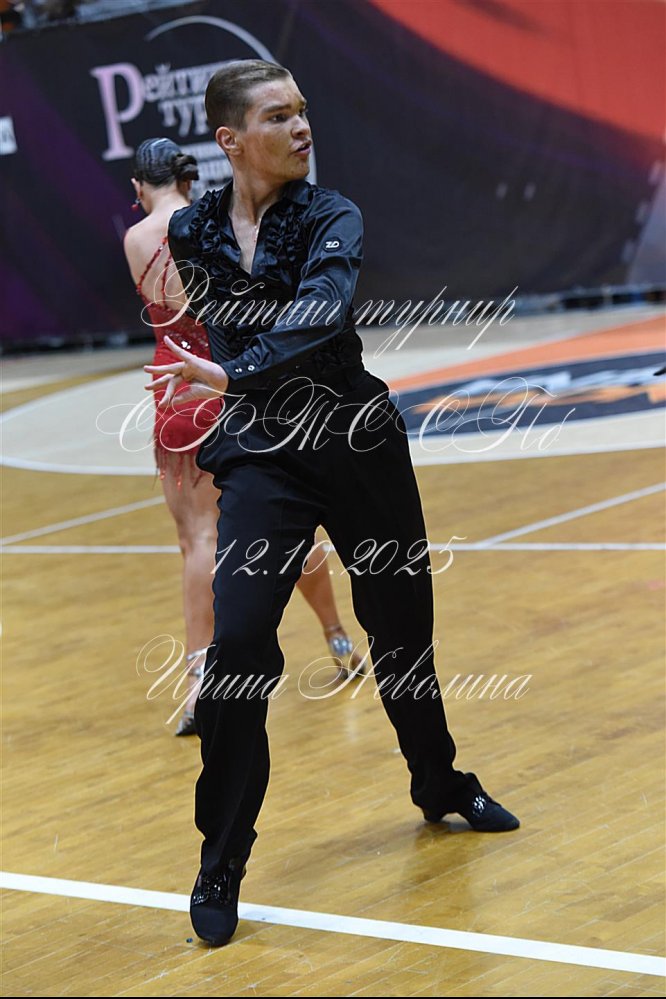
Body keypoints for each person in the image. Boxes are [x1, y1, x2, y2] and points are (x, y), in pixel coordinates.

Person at [144, 59, 520, 948]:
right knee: (238, 644)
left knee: (402, 630)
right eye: (279, 116)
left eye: (304, 111)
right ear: (232, 139)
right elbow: (228, 319)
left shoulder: (332, 214)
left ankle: (439, 783)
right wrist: (234, 377)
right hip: (263, 454)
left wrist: (234, 370)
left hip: (354, 443)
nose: (302, 127)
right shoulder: (192, 230)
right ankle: (221, 858)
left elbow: (321, 309)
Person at [124, 137, 365, 736]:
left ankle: (197, 685)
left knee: (197, 539)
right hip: (237, 380)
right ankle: (337, 638)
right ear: (190, 177)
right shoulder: (219, 222)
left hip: (177, 391)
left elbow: (169, 317)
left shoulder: (136, 239)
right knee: (292, 524)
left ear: (138, 188)